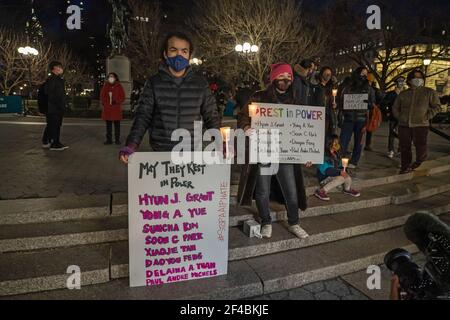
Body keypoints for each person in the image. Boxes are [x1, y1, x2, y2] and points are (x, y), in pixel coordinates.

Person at [119, 32, 220, 162]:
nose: (179, 55)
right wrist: (131, 145)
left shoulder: (200, 84)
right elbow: (142, 116)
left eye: (184, 51)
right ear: (165, 54)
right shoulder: (154, 83)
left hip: (192, 154)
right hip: (161, 153)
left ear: (189, 55)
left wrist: (221, 143)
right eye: (174, 50)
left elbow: (211, 116)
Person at [237, 63, 310, 240]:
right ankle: (266, 221)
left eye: (288, 77)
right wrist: (246, 127)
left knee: (291, 191)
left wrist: (308, 151)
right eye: (281, 76)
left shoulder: (296, 101)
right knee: (262, 190)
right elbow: (243, 116)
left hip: (286, 154)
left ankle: (294, 223)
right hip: (263, 151)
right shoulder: (259, 97)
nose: (285, 80)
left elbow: (306, 128)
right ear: (273, 78)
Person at [392, 69, 442, 174]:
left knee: (421, 147)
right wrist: (399, 117)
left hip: (421, 125)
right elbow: (395, 107)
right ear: (410, 80)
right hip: (404, 124)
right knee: (405, 147)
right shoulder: (403, 94)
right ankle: (405, 167)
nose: (418, 80)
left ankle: (419, 161)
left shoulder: (429, 92)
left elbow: (437, 107)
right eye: (415, 77)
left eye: (420, 78)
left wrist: (427, 116)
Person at [338, 67, 375, 169]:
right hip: (348, 118)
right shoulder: (348, 86)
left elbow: (373, 104)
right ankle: (339, 159)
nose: (363, 75)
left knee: (359, 142)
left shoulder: (368, 88)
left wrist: (369, 104)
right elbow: (341, 101)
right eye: (362, 73)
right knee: (343, 141)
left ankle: (354, 161)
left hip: (361, 120)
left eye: (365, 74)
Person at [314, 135, 360, 201]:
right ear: (329, 143)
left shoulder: (336, 154)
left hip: (333, 175)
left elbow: (339, 166)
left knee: (348, 178)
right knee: (341, 178)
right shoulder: (323, 156)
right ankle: (321, 191)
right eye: (335, 143)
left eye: (338, 142)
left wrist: (345, 168)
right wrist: (339, 172)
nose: (337, 144)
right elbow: (327, 170)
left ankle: (347, 189)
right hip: (324, 177)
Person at [42, 61, 68, 151]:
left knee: (53, 125)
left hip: (57, 107)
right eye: (59, 67)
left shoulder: (58, 79)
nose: (61, 69)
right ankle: (54, 143)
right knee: (54, 125)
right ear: (54, 68)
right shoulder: (52, 80)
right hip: (53, 107)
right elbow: (50, 95)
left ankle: (49, 141)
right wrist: (59, 104)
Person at [381, 76, 406, 158]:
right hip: (393, 116)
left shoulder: (406, 93)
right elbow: (383, 104)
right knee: (392, 133)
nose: (401, 83)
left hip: (403, 117)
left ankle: (400, 150)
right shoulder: (391, 94)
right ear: (396, 83)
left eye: (402, 81)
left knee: (402, 134)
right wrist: (387, 112)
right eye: (399, 81)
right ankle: (391, 150)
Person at [310, 66, 338, 137]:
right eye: (326, 73)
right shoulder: (315, 87)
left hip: (330, 117)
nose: (328, 76)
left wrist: (335, 105)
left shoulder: (331, 87)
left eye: (329, 74)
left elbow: (335, 100)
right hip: (319, 116)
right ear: (322, 74)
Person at [100, 72, 125, 145]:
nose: (111, 78)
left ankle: (117, 140)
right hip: (108, 109)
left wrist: (116, 101)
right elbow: (102, 96)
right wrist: (105, 103)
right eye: (109, 77)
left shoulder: (119, 86)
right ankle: (109, 140)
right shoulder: (106, 86)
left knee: (117, 126)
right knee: (108, 126)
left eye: (112, 76)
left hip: (116, 109)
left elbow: (122, 97)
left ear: (115, 78)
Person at [364, 73, 384, 152]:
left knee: (366, 128)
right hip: (370, 110)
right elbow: (380, 99)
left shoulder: (372, 90)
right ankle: (367, 144)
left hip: (368, 110)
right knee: (369, 128)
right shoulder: (374, 90)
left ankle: (365, 144)